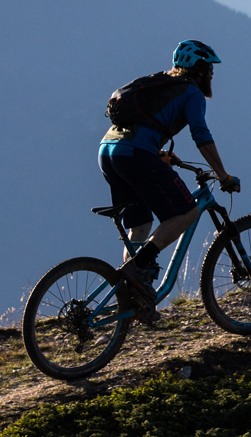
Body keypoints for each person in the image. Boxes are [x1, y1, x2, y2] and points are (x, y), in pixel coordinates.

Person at [98, 40, 239, 321]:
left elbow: (144, 124)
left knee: (140, 226)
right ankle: (138, 270)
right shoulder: (192, 93)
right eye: (209, 67)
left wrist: (159, 154)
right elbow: (201, 137)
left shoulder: (160, 83)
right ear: (198, 69)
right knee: (187, 212)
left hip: (108, 149)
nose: (212, 73)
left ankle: (133, 297)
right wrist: (223, 176)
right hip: (134, 153)